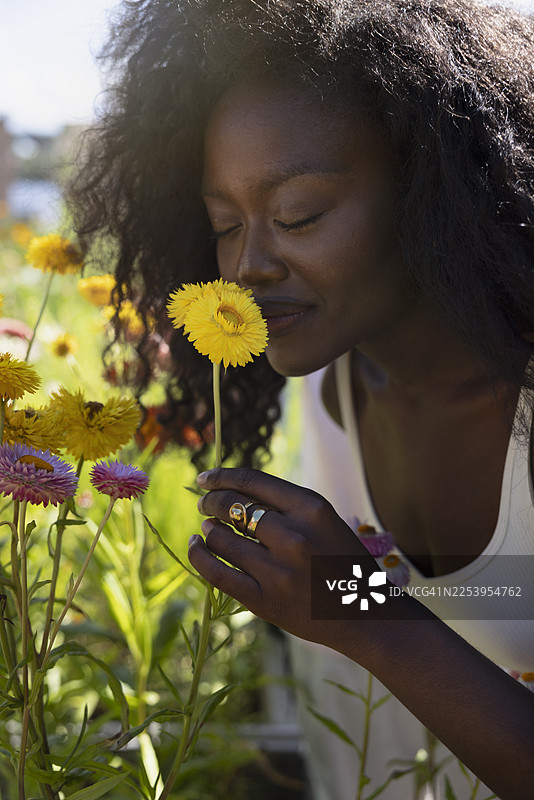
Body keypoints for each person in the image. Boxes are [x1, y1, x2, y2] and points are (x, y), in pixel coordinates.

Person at [67, 1, 534, 798]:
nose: (246, 264)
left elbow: (388, 615)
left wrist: (367, 619)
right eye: (223, 223)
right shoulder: (325, 392)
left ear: (436, 190)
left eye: (297, 215)